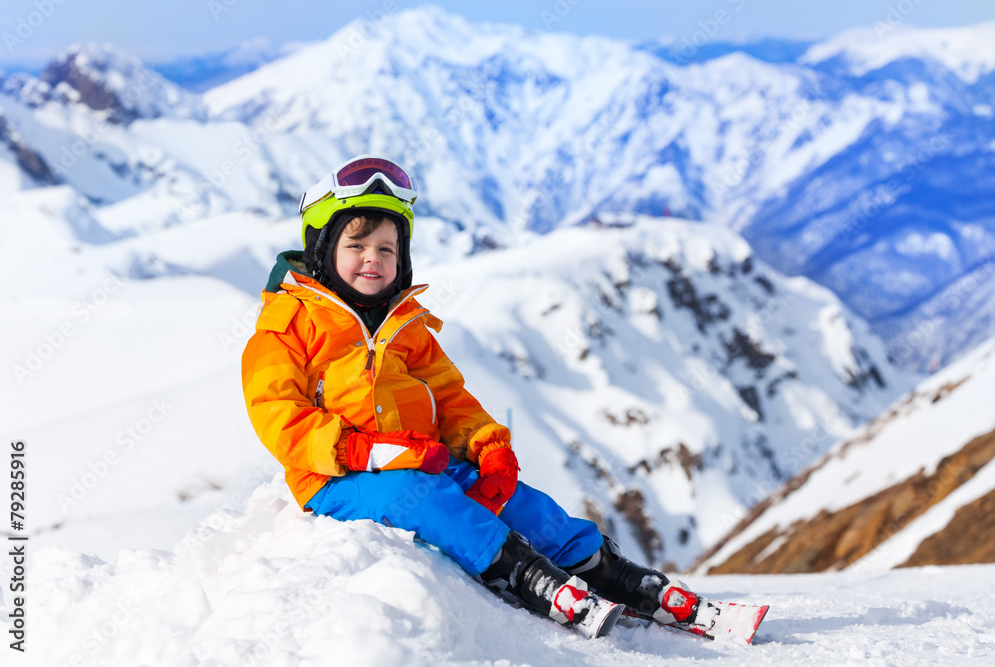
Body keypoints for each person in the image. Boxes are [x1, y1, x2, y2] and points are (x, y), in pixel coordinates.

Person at [241, 155, 718, 639]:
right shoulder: (286, 328)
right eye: (356, 244)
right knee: (421, 498)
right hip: (337, 478)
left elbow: (449, 398)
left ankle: (603, 568)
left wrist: (488, 445)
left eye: (388, 248)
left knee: (512, 497)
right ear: (322, 247)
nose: (373, 258)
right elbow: (276, 416)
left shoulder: (405, 325)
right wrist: (358, 449)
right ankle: (520, 570)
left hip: (423, 457)